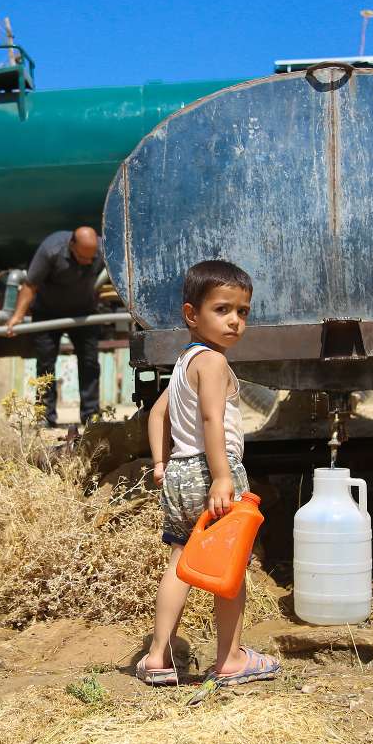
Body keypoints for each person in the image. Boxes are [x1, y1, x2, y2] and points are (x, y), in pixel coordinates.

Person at [138, 260, 281, 686]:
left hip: (180, 474)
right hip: (212, 471)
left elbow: (158, 413)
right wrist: (222, 476)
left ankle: (157, 657)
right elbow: (211, 422)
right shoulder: (214, 364)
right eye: (223, 309)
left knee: (180, 561)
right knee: (230, 568)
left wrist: (161, 462)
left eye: (243, 312)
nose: (235, 320)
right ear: (191, 315)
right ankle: (231, 658)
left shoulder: (184, 362)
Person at [6, 227, 105, 428]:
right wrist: (17, 316)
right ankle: (44, 415)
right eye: (82, 257)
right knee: (46, 365)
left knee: (90, 364)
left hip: (83, 313)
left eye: (91, 258)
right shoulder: (51, 250)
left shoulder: (103, 249)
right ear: (72, 245)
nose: (88, 262)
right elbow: (30, 285)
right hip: (48, 313)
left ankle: (91, 416)